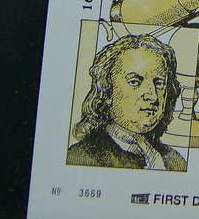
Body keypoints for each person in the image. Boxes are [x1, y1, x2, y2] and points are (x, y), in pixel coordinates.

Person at [67, 34, 186, 171]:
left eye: (159, 83)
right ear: (107, 91)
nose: (153, 96)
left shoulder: (174, 160)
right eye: (134, 82)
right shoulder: (81, 157)